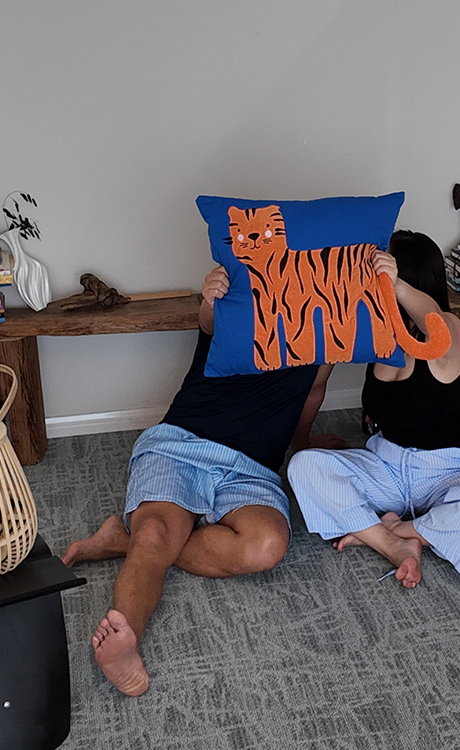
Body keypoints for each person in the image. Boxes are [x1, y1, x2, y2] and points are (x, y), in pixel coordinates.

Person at [63, 265, 338, 696]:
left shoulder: (330, 327)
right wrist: (210, 298)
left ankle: (122, 541)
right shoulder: (241, 293)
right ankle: (125, 640)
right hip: (181, 442)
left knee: (266, 546)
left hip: (252, 467)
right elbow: (208, 322)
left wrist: (300, 445)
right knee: (154, 535)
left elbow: (312, 394)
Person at [288, 230, 460, 588]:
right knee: (304, 467)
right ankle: (395, 543)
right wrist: (300, 442)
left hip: (451, 469)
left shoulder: (448, 329)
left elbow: (430, 317)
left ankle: (395, 529)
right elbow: (316, 387)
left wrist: (395, 286)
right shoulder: (375, 331)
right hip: (387, 465)